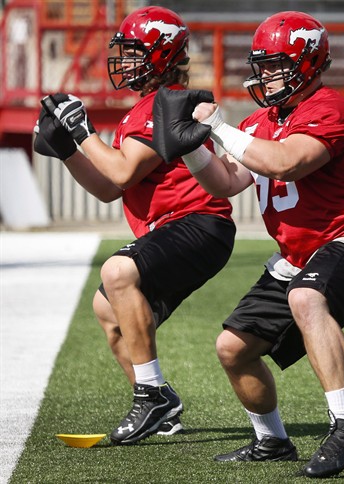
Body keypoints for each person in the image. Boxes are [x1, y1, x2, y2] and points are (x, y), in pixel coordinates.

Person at [152, 11, 344, 478]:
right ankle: (272, 440)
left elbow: (287, 164)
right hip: (298, 254)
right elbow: (225, 183)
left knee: (308, 297)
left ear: (309, 62)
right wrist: (192, 148)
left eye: (277, 64)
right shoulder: (262, 120)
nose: (265, 75)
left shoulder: (332, 109)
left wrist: (218, 129)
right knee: (233, 347)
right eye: (261, 65)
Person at [33, 6, 236, 445]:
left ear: (162, 55)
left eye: (133, 53)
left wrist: (83, 132)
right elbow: (110, 189)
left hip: (199, 223)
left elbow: (122, 172)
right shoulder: (141, 109)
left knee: (117, 272)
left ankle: (150, 396)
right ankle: (163, 405)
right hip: (175, 228)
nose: (123, 63)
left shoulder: (163, 105)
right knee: (107, 310)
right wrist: (69, 150)